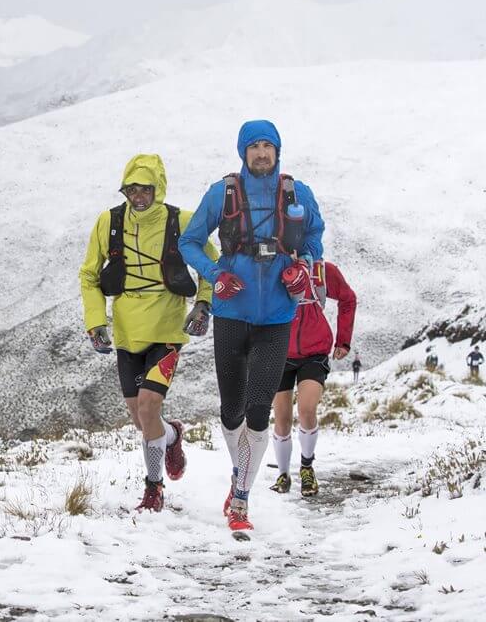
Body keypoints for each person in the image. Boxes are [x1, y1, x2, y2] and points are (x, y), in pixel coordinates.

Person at [179, 120, 324, 532]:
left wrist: (304, 265)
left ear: (278, 151)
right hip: (230, 312)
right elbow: (189, 240)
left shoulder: (297, 193)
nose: (262, 153)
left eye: (268, 146)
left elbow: (314, 235)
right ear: (243, 152)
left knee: (259, 411)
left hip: (278, 315)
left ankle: (241, 497)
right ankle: (239, 472)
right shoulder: (223, 193)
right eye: (254, 146)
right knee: (231, 412)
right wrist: (213, 273)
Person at [80, 154, 218, 512]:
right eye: (131, 189)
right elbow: (89, 276)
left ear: (158, 189)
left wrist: (203, 305)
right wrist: (96, 322)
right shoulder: (107, 222)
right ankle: (171, 435)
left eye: (145, 188)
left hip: (168, 330)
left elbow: (212, 264)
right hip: (127, 333)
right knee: (140, 416)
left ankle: (153, 488)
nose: (138, 196)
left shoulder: (182, 222)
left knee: (148, 405)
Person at [270, 259, 356, 497]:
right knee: (282, 419)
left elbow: (348, 298)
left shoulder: (322, 271)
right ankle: (284, 474)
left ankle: (307, 467)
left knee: (307, 410)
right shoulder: (272, 268)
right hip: (280, 352)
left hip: (314, 352)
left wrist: (343, 340)